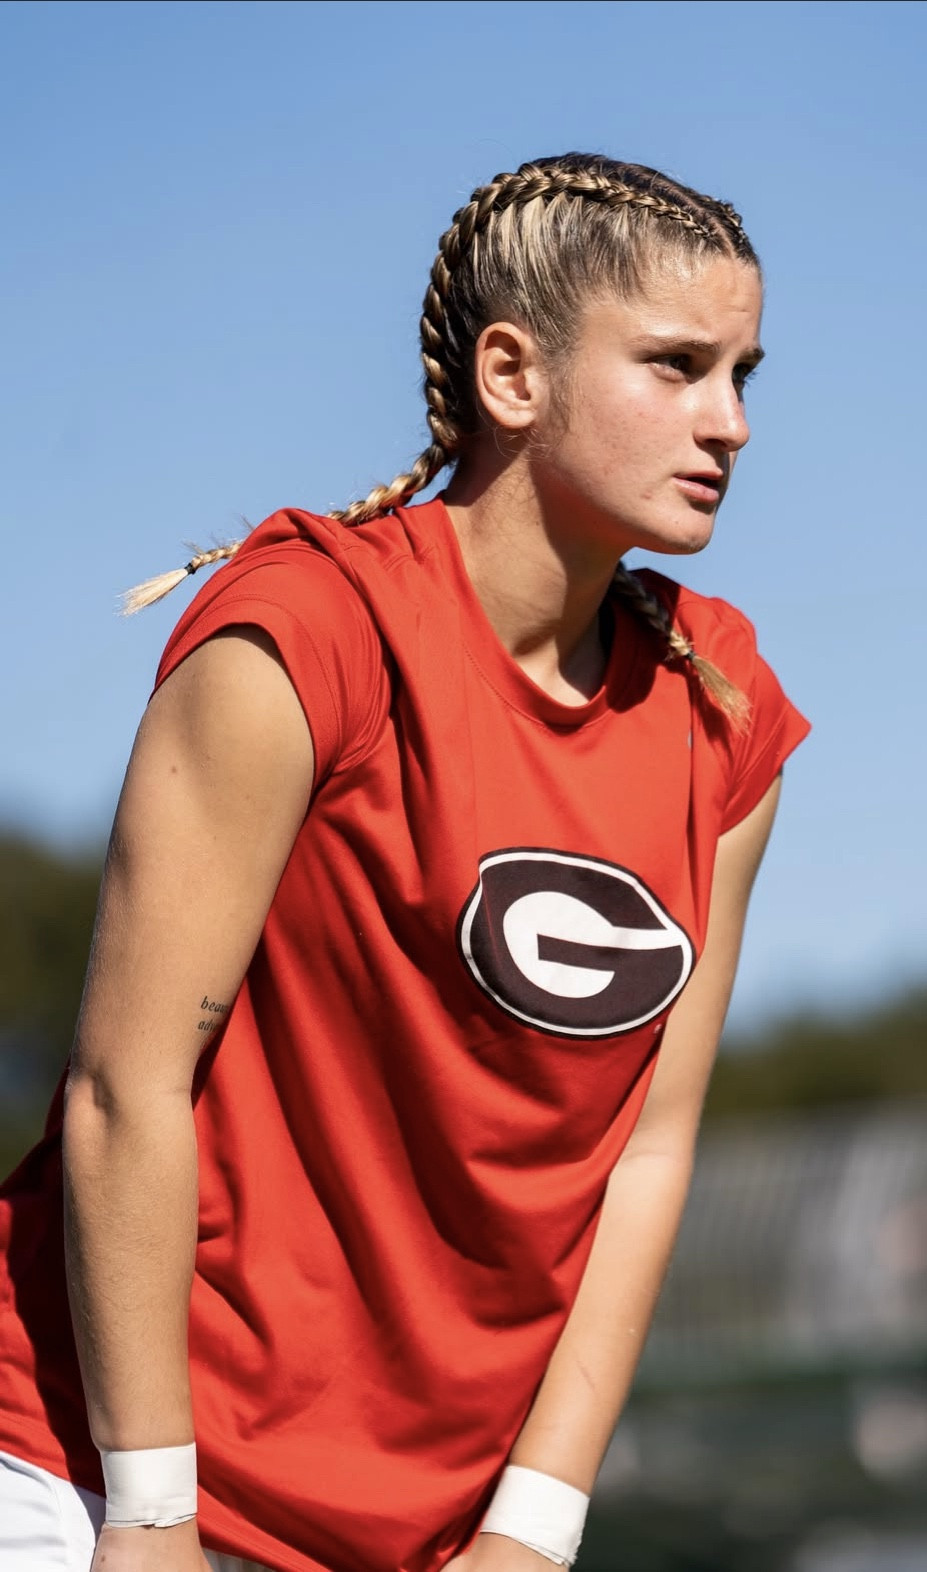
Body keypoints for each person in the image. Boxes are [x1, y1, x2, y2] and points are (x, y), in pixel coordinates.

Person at [0, 153, 809, 1572]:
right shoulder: (307, 633)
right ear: (513, 375)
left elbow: (649, 1150)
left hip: (412, 1535)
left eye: (742, 374)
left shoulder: (723, 709)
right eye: (676, 366)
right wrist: (151, 1515)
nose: (729, 422)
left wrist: (534, 1530)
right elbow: (128, 1086)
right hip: (90, 1472)